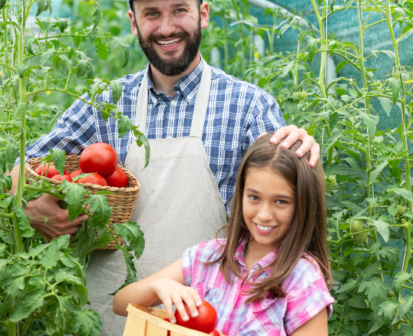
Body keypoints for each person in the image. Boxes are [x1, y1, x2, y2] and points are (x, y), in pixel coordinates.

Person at [9, 0, 321, 335]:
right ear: (134, 22)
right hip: (114, 318)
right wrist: (32, 207)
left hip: (208, 320)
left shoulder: (248, 105)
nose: (167, 27)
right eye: (152, 14)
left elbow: (284, 189)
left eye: (179, 10)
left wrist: (301, 151)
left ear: (203, 14)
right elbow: (24, 167)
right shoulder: (104, 104)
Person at [112, 133, 334, 335]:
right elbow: (120, 304)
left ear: (303, 204)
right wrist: (159, 286)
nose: (264, 214)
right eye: (254, 197)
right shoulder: (209, 256)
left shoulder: (302, 279)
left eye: (281, 201)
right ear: (241, 194)